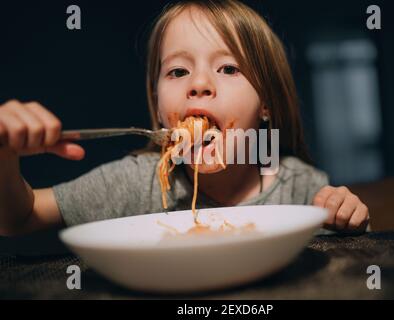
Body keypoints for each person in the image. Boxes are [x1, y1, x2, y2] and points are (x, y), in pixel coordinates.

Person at [0, 0, 369, 236]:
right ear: (159, 105)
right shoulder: (137, 183)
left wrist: (349, 219)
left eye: (228, 68)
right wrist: (4, 155)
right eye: (177, 72)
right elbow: (21, 217)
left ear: (267, 103)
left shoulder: (301, 187)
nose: (199, 84)